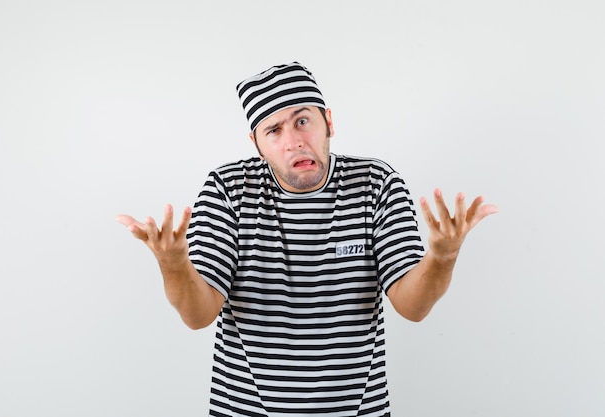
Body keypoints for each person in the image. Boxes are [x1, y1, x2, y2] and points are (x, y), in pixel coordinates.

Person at [116, 61, 498, 417]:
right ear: (257, 144)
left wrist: (442, 256)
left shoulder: (375, 184)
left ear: (328, 121)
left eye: (302, 120)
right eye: (274, 130)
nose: (294, 140)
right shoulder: (227, 189)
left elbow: (412, 306)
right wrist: (173, 263)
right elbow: (198, 316)